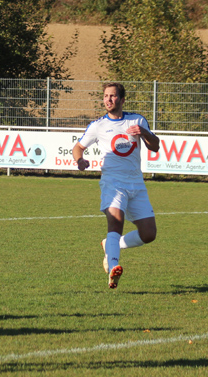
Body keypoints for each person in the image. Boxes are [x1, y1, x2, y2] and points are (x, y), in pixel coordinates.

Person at [72, 82, 161, 289]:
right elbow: (78, 147)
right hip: (113, 183)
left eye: (112, 96)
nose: (108, 100)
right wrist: (79, 161)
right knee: (116, 223)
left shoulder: (137, 120)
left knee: (149, 234)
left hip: (136, 184)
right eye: (105, 96)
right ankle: (113, 267)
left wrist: (144, 132)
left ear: (122, 100)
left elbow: (155, 147)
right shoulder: (98, 126)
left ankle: (110, 245)